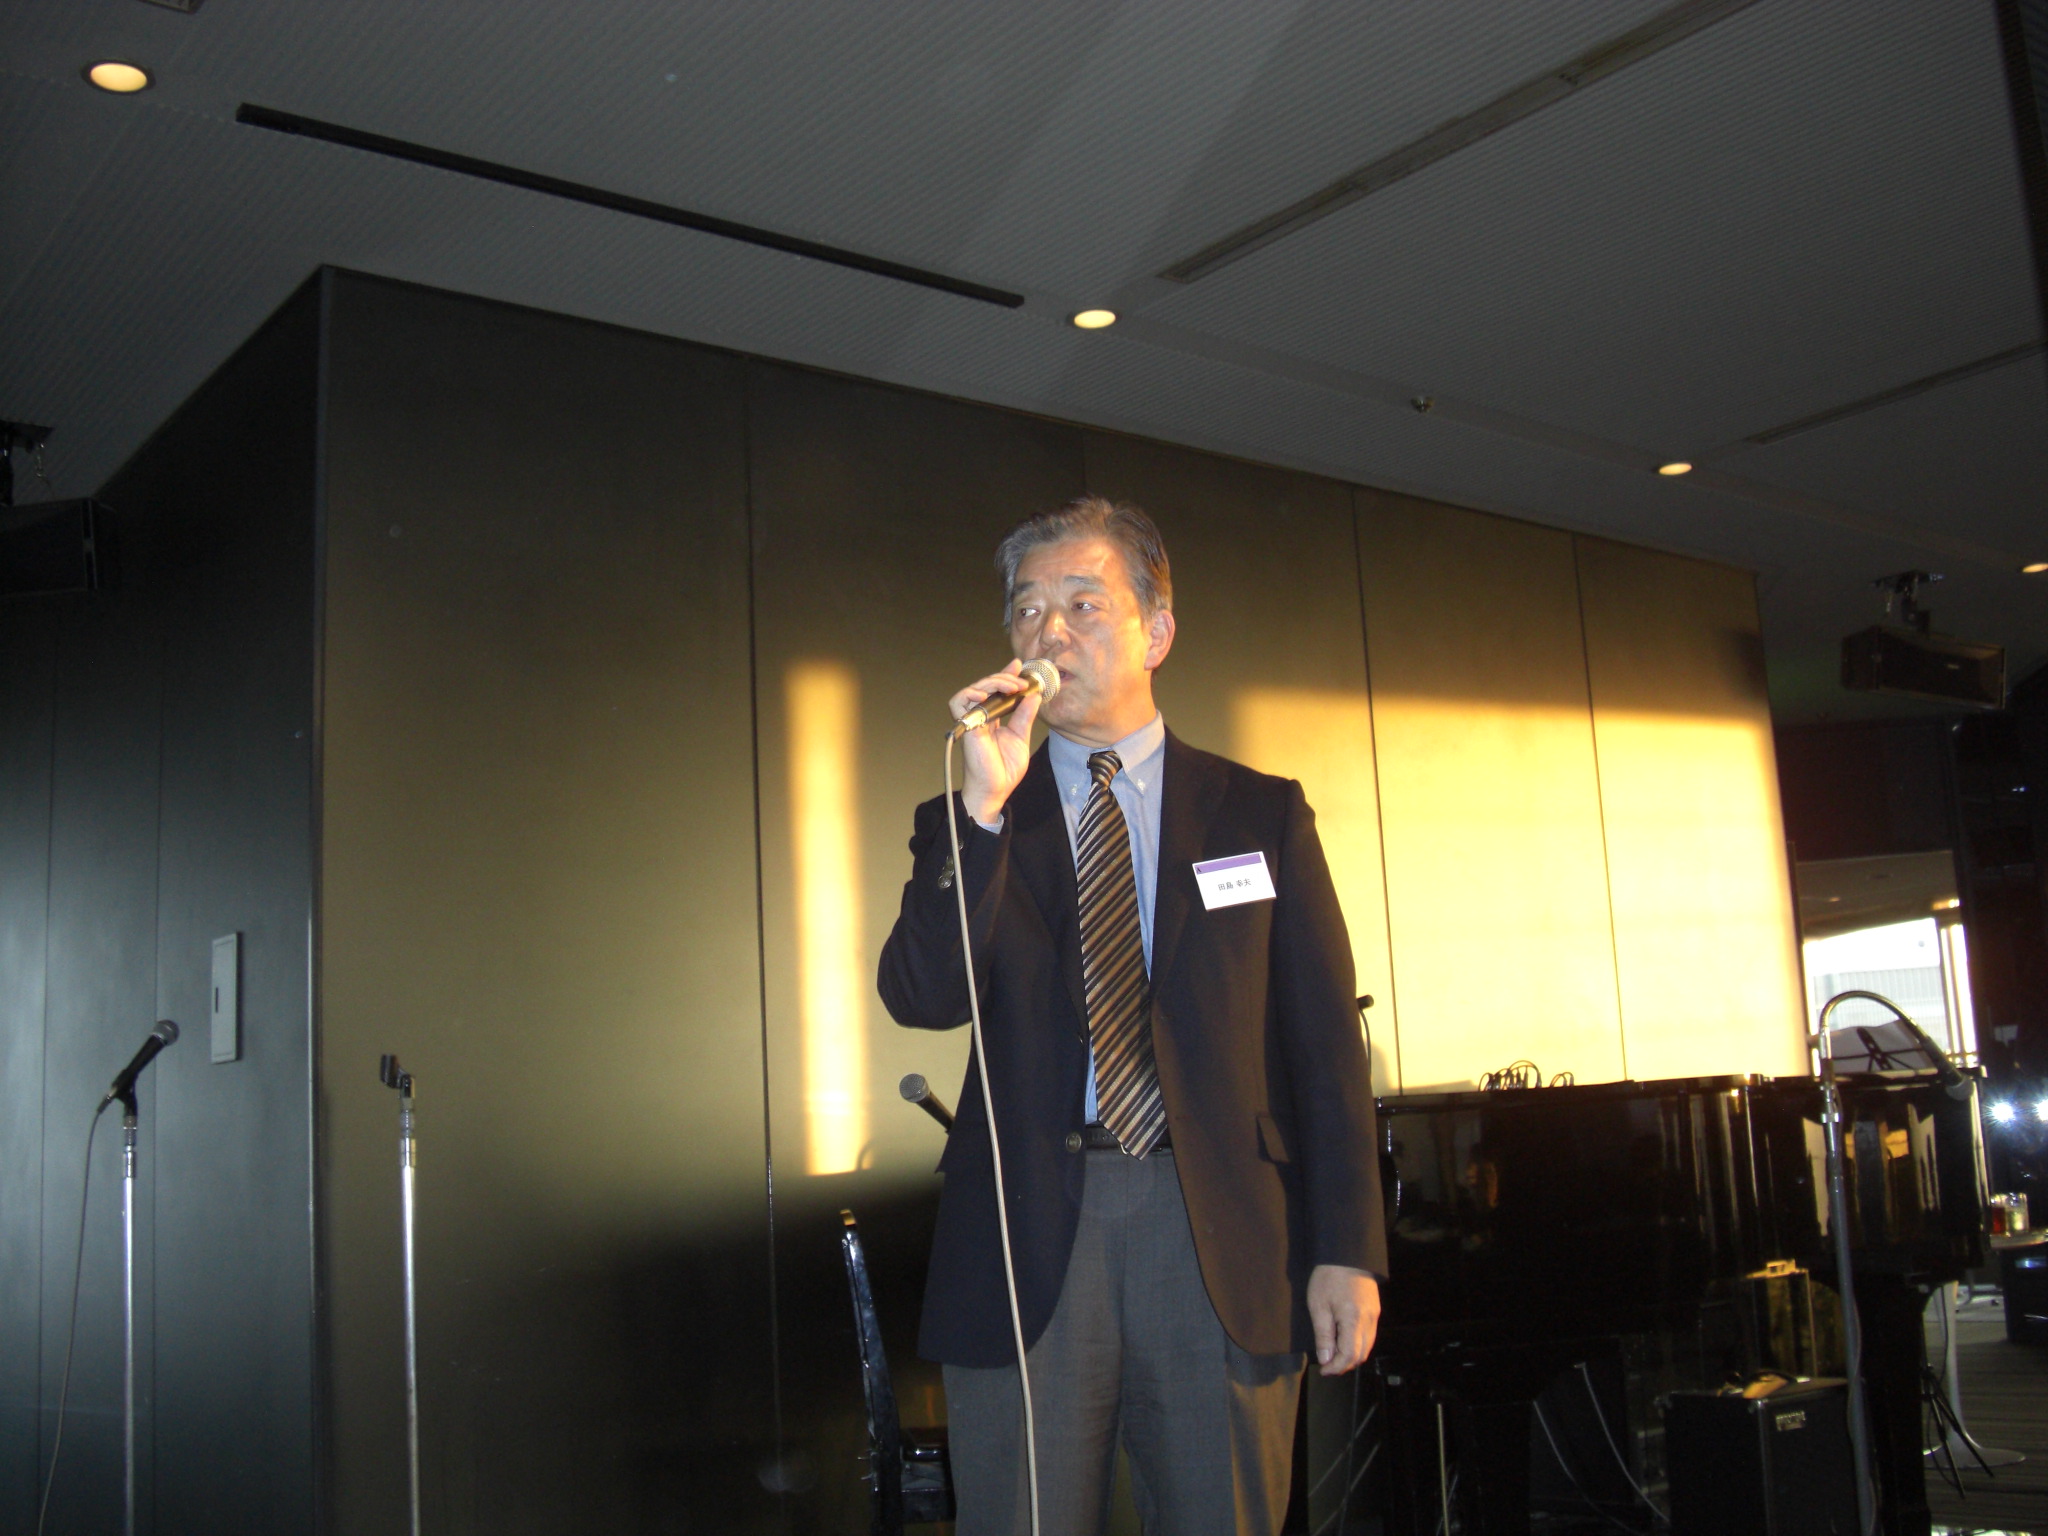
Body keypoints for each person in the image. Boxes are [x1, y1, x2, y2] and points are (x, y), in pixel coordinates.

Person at [877, 496, 1386, 1535]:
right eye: (1027, 609)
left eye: (1082, 603)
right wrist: (981, 811)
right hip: (1027, 1237)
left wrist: (1348, 1246)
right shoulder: (975, 812)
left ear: (1156, 630)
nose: (1048, 632)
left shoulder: (1258, 813)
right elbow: (921, 996)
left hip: (1217, 1234)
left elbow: (1325, 1049)